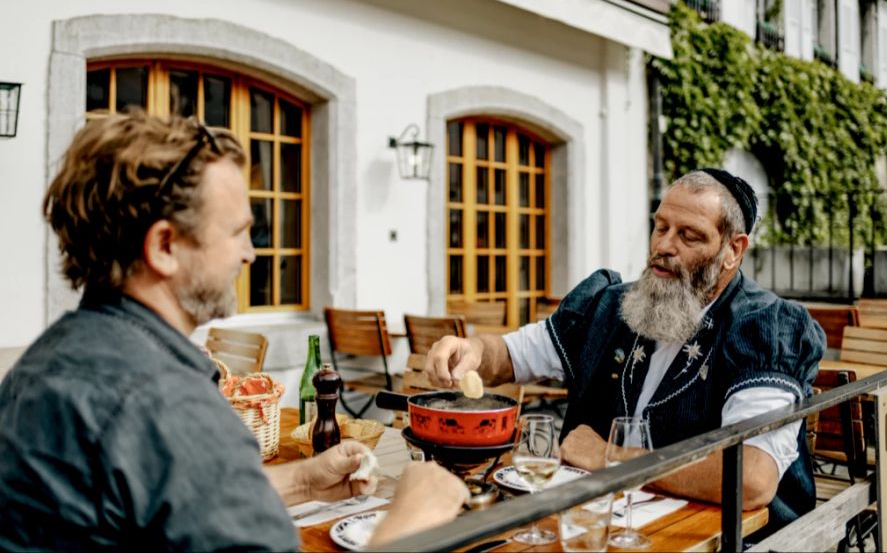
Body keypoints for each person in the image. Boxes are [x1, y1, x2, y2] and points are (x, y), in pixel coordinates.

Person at [0, 111, 467, 550]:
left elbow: (164, 497)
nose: (251, 254)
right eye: (238, 231)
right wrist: (411, 526)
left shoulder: (43, 363)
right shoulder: (164, 401)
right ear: (165, 245)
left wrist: (304, 481)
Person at [426, 169, 824, 532]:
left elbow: (751, 479)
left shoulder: (764, 326)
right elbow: (512, 356)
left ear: (733, 251)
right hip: (604, 525)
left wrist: (609, 459)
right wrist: (473, 349)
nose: (664, 246)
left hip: (729, 537)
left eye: (689, 235)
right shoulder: (609, 304)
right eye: (661, 227)